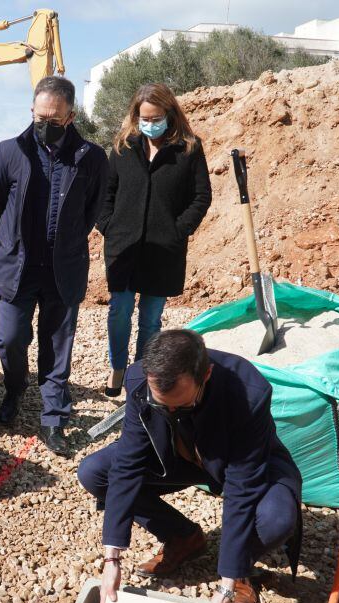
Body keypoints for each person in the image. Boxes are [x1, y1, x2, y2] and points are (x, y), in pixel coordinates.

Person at [77, 330, 301, 603]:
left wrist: (225, 584)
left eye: (182, 404)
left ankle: (239, 567)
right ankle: (183, 537)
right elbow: (128, 463)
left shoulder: (248, 393)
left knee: (277, 518)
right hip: (176, 456)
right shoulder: (141, 381)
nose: (169, 411)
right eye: (161, 405)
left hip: (240, 460)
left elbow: (241, 489)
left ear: (205, 375)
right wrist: (111, 559)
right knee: (95, 472)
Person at [0, 75, 108, 455]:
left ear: (70, 116)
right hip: (15, 267)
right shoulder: (6, 153)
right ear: (32, 111)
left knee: (58, 346)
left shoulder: (92, 158)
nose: (45, 125)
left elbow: (92, 211)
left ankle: (54, 418)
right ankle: (15, 387)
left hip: (62, 268)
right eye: (40, 117)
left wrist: (65, 240)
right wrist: (16, 239)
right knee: (9, 337)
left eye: (54, 120)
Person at [96, 84, 211, 397]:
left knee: (150, 318)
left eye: (156, 117)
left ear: (169, 114)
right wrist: (108, 225)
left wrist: (178, 230)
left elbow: (201, 197)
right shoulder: (122, 146)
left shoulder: (188, 147)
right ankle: (118, 367)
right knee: (119, 309)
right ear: (136, 116)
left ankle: (140, 373)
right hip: (124, 247)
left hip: (164, 252)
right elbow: (105, 193)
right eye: (144, 117)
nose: (150, 123)